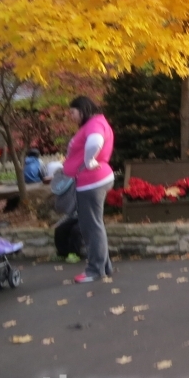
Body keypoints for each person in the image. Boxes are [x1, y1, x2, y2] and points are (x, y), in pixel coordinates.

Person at [64, 96, 115, 284]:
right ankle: (104, 266)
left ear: (83, 109)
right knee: (95, 225)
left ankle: (95, 270)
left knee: (91, 227)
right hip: (93, 180)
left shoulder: (94, 124)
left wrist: (89, 161)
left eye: (72, 112)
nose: (71, 116)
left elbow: (95, 142)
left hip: (91, 181)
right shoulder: (96, 123)